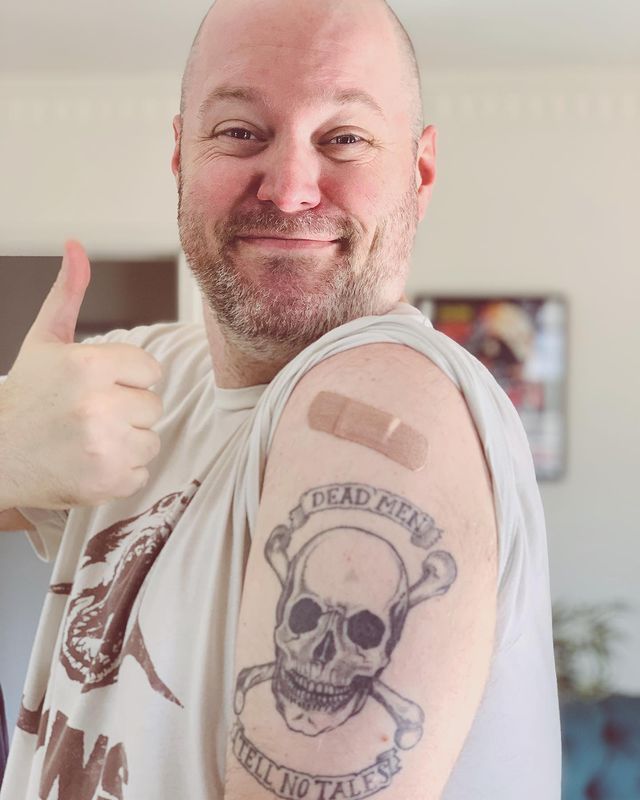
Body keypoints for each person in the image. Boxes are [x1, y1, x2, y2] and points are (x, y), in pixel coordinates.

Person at [0, 0, 561, 798]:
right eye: (240, 132)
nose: (291, 187)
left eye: (344, 138)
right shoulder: (140, 376)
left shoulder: (392, 398)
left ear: (420, 171)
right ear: (180, 155)